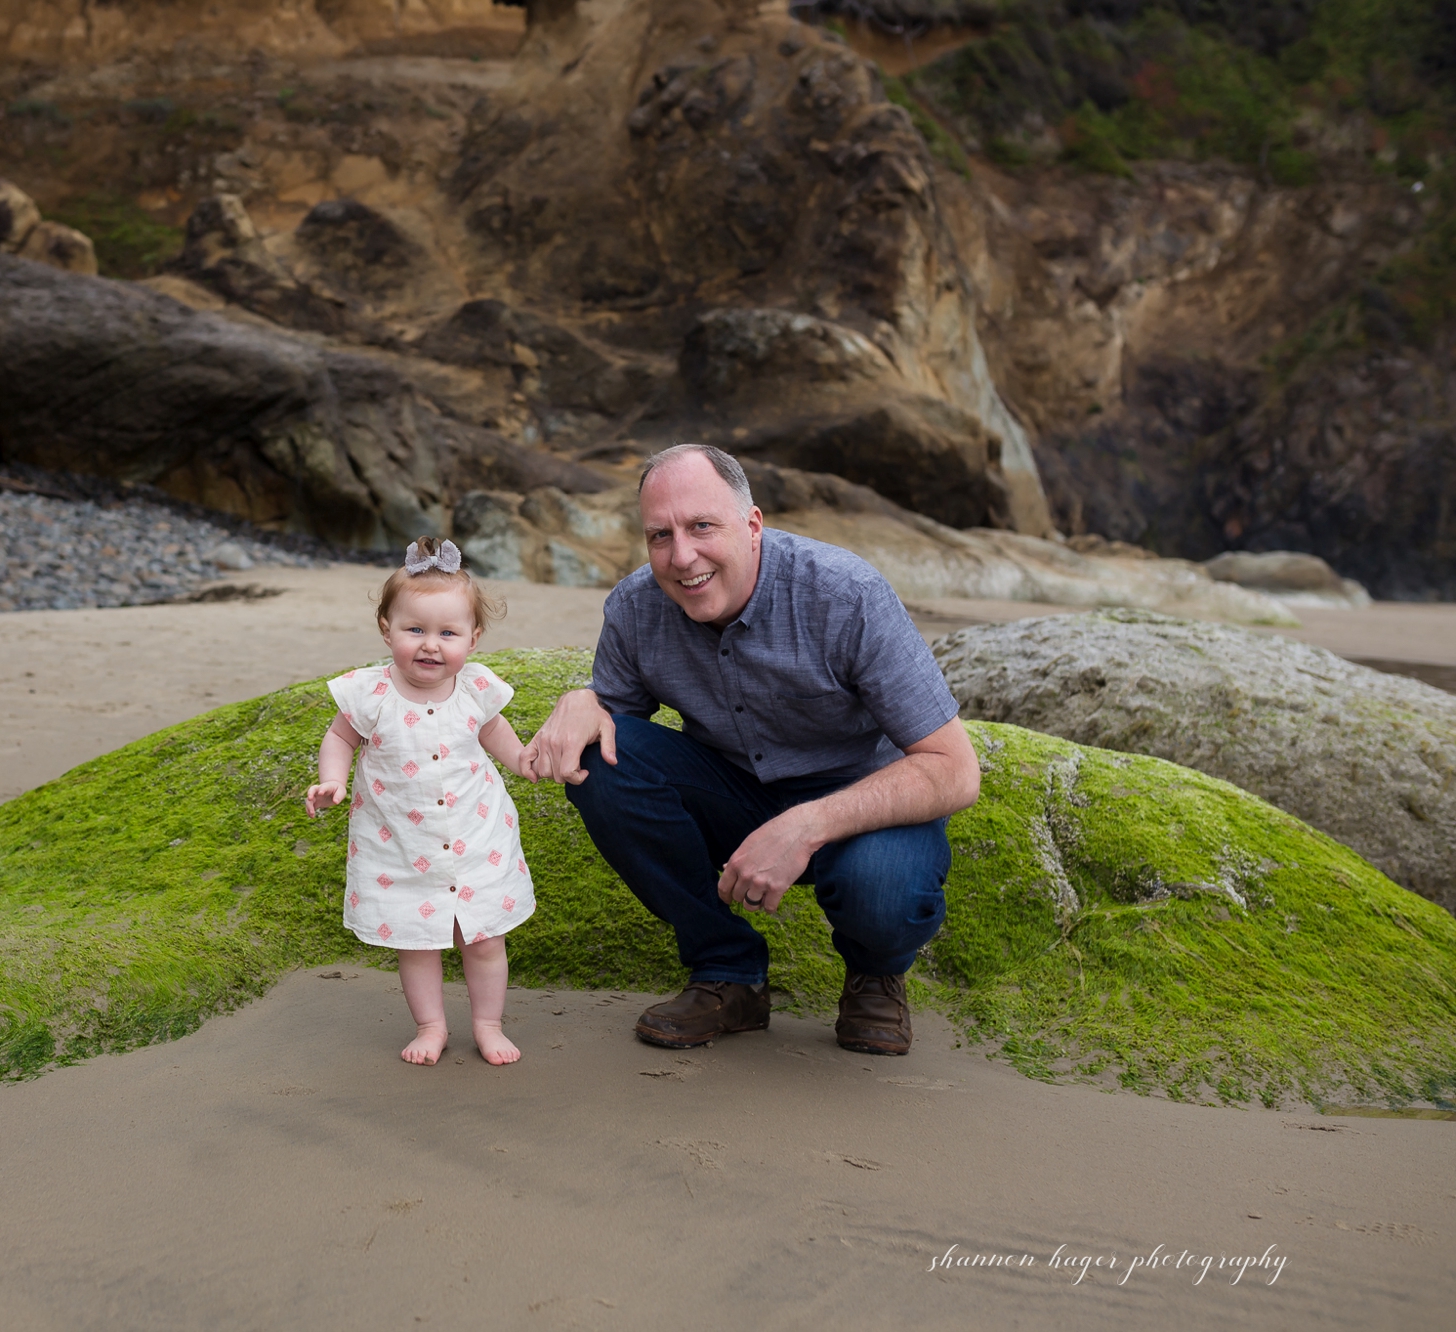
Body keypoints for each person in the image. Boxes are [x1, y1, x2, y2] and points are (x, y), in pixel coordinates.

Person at [520, 444, 979, 1055]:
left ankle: (875, 974)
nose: (682, 557)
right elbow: (616, 727)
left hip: (861, 810)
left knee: (883, 888)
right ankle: (727, 970)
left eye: (702, 526)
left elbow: (955, 770)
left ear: (753, 524)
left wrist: (808, 825)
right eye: (660, 535)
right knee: (600, 760)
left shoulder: (846, 595)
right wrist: (585, 701)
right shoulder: (635, 606)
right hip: (732, 794)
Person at [306, 537, 534, 1067]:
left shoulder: (474, 689)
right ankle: (431, 1026)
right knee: (418, 942)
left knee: (484, 940)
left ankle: (488, 1024)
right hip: (401, 845)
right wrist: (332, 780)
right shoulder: (370, 694)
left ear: (473, 639)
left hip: (476, 838)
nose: (431, 645)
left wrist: (523, 760)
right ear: (386, 629)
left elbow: (494, 732)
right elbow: (339, 737)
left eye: (447, 633)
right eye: (415, 630)